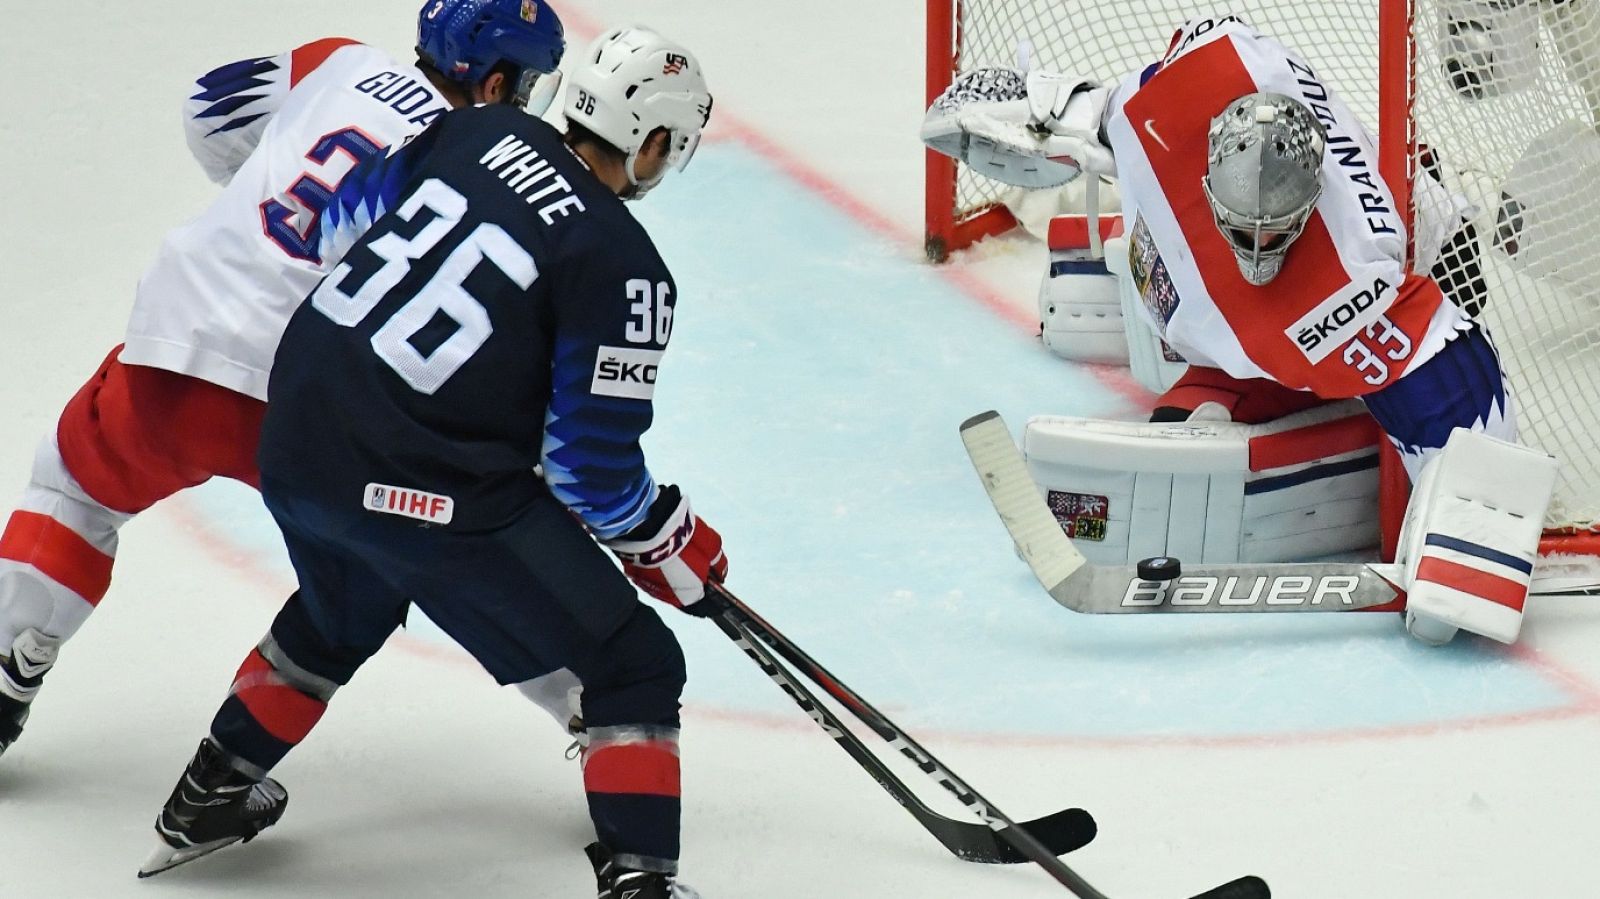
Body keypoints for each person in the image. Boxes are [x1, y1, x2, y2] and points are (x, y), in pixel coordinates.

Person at [139, 25, 722, 899]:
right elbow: (590, 474)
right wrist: (671, 542)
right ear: (651, 141)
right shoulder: (626, 267)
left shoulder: (475, 129)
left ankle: (208, 793)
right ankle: (642, 880)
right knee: (635, 661)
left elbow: (334, 224)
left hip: (296, 436)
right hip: (424, 479)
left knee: (347, 605)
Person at [0, 0, 566, 757]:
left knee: (72, 488)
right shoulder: (483, 161)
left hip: (179, 340)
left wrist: (257, 198)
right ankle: (591, 706)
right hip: (315, 401)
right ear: (496, 84)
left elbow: (212, 109)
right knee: (421, 561)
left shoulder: (340, 58)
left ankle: (10, 665)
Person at [924, 15, 1558, 646]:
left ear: (1308, 202)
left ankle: (1333, 426)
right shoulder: (1175, 101)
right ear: (1207, 177)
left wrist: (1468, 545)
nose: (1258, 249)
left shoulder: (1348, 287)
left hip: (1435, 252)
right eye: (1242, 226)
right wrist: (1039, 112)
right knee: (1098, 296)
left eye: (1276, 231)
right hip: (1284, 292)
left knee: (1244, 402)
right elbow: (1128, 88)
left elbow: (1455, 373)